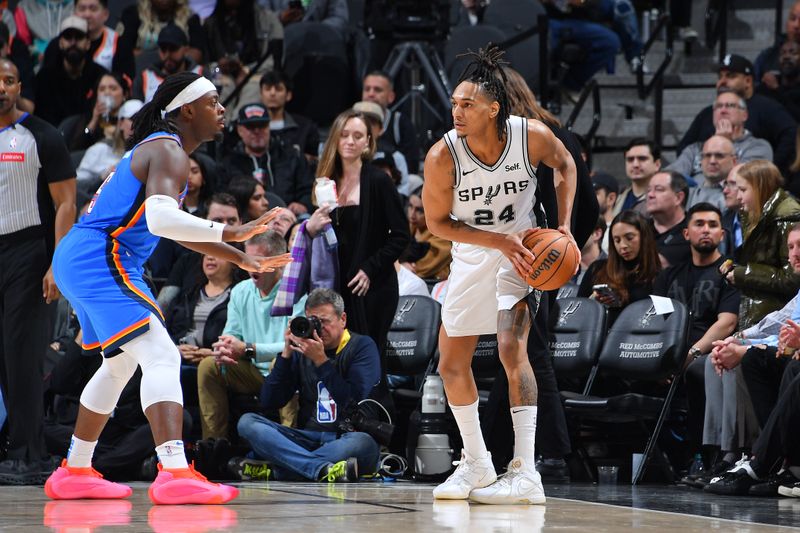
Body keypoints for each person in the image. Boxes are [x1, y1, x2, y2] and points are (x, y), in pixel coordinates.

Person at [42, 71, 292, 504]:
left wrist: (240, 257)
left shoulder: (161, 149)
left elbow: (173, 230)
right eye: (213, 102)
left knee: (119, 366)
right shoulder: (169, 150)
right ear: (187, 110)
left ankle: (75, 470)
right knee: (161, 353)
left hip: (84, 255)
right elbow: (161, 219)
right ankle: (174, 471)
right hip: (104, 254)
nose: (222, 110)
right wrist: (232, 232)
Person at [422, 46, 578, 504]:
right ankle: (476, 463)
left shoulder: (530, 137)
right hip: (472, 254)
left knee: (512, 349)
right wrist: (495, 241)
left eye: (467, 104)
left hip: (525, 254)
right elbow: (437, 224)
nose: (457, 111)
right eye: (454, 103)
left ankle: (526, 471)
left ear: (494, 108)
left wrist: (564, 226)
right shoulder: (442, 156)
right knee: (451, 364)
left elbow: (565, 164)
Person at [0, 58, 76, 485]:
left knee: (22, 354)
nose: (2, 87)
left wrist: (56, 263)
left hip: (28, 251)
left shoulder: (41, 135)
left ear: (19, 87)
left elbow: (66, 203)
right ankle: (15, 445)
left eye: (9, 80)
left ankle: (30, 455)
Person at [302, 109, 410, 375]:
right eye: (344, 135)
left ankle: (375, 411)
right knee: (337, 360)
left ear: (367, 143)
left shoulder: (378, 180)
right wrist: (310, 228)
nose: (350, 141)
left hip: (372, 286)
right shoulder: (324, 182)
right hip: (336, 286)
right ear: (335, 140)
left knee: (368, 356)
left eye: (358, 136)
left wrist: (370, 269)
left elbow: (400, 236)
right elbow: (322, 238)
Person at [234, 288, 381, 482]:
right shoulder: (301, 350)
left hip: (344, 437)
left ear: (342, 319)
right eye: (314, 322)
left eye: (325, 321)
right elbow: (269, 401)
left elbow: (354, 402)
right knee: (248, 422)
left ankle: (278, 469)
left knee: (362, 443)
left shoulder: (361, 346)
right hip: (305, 438)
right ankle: (320, 469)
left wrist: (321, 362)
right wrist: (286, 354)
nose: (319, 329)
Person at [652, 203, 740, 471]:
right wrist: (664, 358)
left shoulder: (730, 273)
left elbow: (727, 322)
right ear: (686, 233)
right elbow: (659, 320)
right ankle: (650, 459)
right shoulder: (668, 276)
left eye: (713, 225)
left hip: (707, 353)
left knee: (698, 371)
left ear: (722, 235)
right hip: (672, 353)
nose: (706, 230)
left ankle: (703, 457)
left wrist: (689, 355)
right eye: (699, 224)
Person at [198, 231, 305, 440]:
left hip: (284, 369)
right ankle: (213, 445)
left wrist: (248, 348)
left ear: (277, 261)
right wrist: (225, 347)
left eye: (258, 261)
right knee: (208, 367)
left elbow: (294, 344)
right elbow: (231, 332)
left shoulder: (296, 292)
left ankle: (290, 441)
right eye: (247, 260)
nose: (250, 267)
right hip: (251, 371)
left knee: (281, 362)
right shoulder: (240, 291)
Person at [678, 54, 797, 174]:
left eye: (730, 76)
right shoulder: (708, 113)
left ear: (748, 81)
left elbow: (791, 133)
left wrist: (773, 167)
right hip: (703, 184)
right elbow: (683, 148)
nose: (722, 82)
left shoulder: (767, 108)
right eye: (720, 77)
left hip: (750, 182)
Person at [720, 160, 800, 330]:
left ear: (759, 188)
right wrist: (735, 270)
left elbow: (793, 278)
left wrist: (743, 273)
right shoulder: (752, 214)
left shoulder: (787, 217)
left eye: (743, 190)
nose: (739, 196)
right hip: (758, 313)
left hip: (781, 320)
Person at [218, 103, 314, 214]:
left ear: (269, 126)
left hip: (289, 220)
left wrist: (303, 204)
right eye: (251, 127)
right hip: (245, 222)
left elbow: (309, 189)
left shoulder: (292, 156)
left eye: (262, 125)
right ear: (240, 130)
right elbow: (223, 197)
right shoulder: (228, 163)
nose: (257, 131)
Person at [669, 90, 772, 183]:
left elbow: (743, 181)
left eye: (730, 105)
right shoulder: (694, 149)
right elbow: (671, 178)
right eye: (718, 106)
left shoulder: (759, 147)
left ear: (744, 115)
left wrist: (723, 143)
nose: (723, 110)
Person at [578, 210, 661, 324]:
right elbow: (578, 313)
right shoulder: (597, 269)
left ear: (644, 236)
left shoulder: (658, 275)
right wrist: (593, 302)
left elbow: (662, 320)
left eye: (629, 238)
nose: (623, 245)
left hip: (641, 339)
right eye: (617, 240)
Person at [33, 15, 107, 127]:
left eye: (79, 37)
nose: (73, 42)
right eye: (68, 37)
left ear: (88, 43)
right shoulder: (45, 78)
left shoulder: (100, 76)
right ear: (60, 43)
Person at [41, 0, 134, 78]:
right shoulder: (58, 45)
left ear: (105, 14)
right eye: (82, 9)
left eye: (93, 9)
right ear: (73, 12)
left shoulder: (119, 44)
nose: (87, 14)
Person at [361, 70, 420, 173]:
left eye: (377, 90)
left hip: (393, 179)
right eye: (367, 89)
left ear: (391, 97)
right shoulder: (348, 120)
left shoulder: (401, 123)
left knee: (415, 181)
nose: (371, 94)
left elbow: (412, 165)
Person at [132, 24, 203, 104]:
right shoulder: (145, 77)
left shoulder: (200, 75)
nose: (167, 55)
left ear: (186, 50)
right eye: (163, 49)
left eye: (173, 49)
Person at [60, 71, 130, 152]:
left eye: (113, 88)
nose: (107, 93)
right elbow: (76, 149)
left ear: (125, 94)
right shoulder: (88, 118)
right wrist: (93, 121)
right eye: (102, 89)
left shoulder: (130, 119)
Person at [260, 69, 320, 162]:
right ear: (261, 95)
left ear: (288, 95)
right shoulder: (251, 126)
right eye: (267, 89)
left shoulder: (305, 127)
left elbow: (314, 159)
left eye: (278, 89)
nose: (272, 93)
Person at [646, 171, 691, 268]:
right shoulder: (640, 228)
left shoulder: (692, 230)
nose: (650, 195)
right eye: (648, 190)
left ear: (678, 197)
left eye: (658, 189)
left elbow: (658, 265)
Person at [682, 135, 737, 213]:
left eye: (719, 156)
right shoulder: (687, 193)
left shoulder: (740, 195)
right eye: (707, 155)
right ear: (701, 160)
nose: (712, 161)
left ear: (734, 161)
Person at [406, 186, 451, 280]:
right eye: (410, 206)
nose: (412, 214)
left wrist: (401, 265)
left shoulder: (443, 237)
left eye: (419, 210)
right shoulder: (409, 227)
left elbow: (422, 269)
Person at [612, 138, 662, 217]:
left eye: (642, 158)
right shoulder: (617, 198)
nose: (635, 164)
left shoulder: (664, 198)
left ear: (657, 164)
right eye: (630, 159)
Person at [592, 172, 618, 253]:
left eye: (595, 194)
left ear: (611, 198)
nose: (589, 198)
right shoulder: (586, 227)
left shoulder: (618, 229)